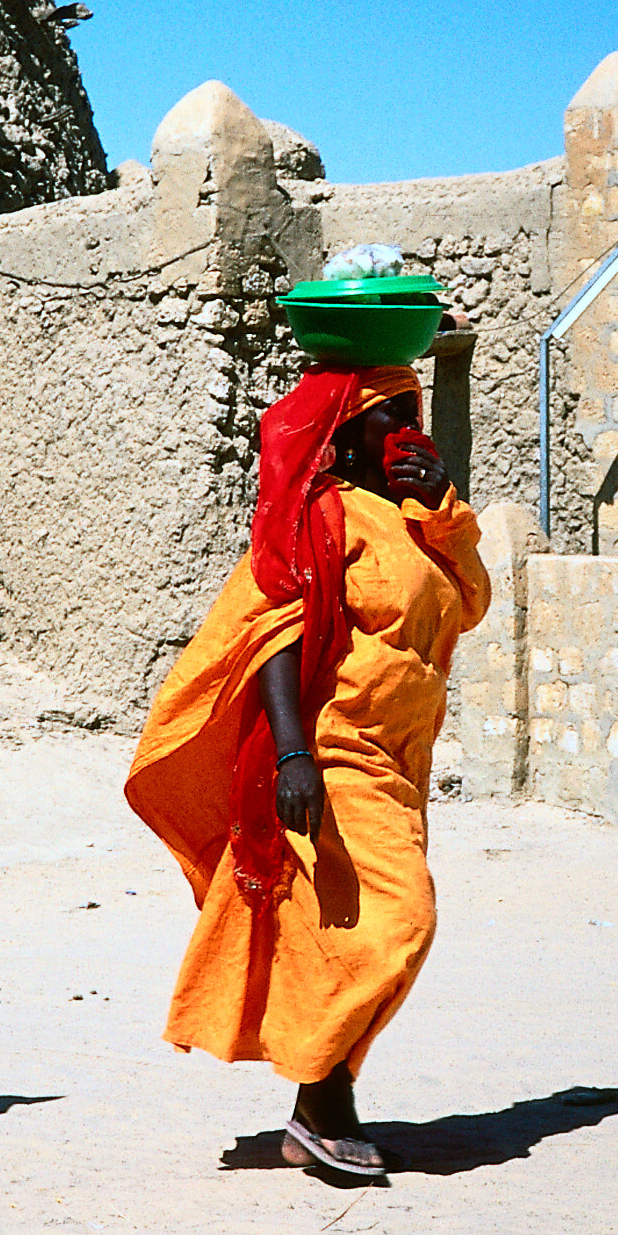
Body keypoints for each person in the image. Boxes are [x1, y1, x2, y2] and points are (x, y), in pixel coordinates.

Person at [124, 361, 490, 1180]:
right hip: (334, 750)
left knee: (347, 933)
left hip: (401, 759)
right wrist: (292, 753)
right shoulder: (319, 519)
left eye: (412, 410)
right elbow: (271, 638)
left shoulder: (411, 517)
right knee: (403, 920)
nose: (404, 427)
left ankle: (322, 1109)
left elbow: (467, 604)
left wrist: (438, 508)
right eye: (385, 413)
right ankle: (318, 1102)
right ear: (345, 431)